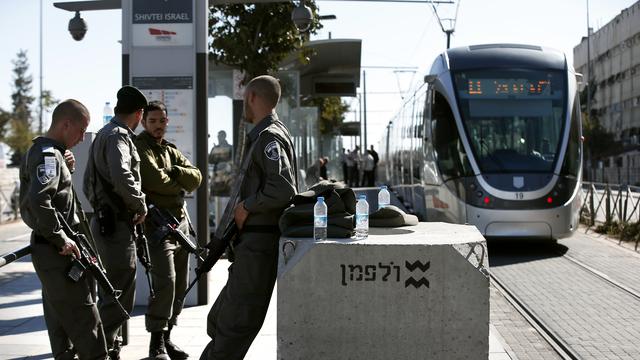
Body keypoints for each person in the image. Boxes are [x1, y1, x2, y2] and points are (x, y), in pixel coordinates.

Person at [202, 75, 297, 360]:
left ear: (253, 97)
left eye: (245, 98)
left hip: (260, 243)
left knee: (235, 322)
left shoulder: (269, 136)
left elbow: (283, 188)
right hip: (250, 244)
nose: (244, 103)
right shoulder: (263, 134)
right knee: (221, 319)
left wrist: (247, 206)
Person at [20, 99, 109, 359]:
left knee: (61, 324)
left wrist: (65, 165)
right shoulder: (49, 155)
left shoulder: (52, 153)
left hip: (53, 250)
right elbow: (40, 199)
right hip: (58, 252)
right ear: (65, 124)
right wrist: (61, 238)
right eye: (81, 130)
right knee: (85, 319)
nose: (82, 138)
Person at [84, 85, 148, 359]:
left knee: (112, 290)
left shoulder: (103, 135)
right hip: (117, 225)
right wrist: (139, 203)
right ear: (139, 113)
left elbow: (87, 183)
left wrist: (102, 207)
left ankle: (107, 346)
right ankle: (98, 348)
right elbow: (122, 175)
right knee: (120, 293)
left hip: (105, 221)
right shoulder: (119, 136)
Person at [135, 101, 202, 359]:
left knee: (180, 284)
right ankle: (155, 344)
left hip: (180, 225)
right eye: (152, 121)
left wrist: (174, 171)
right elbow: (155, 180)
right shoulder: (142, 147)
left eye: (161, 121)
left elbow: (195, 177)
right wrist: (178, 182)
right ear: (143, 122)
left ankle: (167, 337)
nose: (158, 126)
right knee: (166, 282)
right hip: (157, 225)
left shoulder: (169, 149)